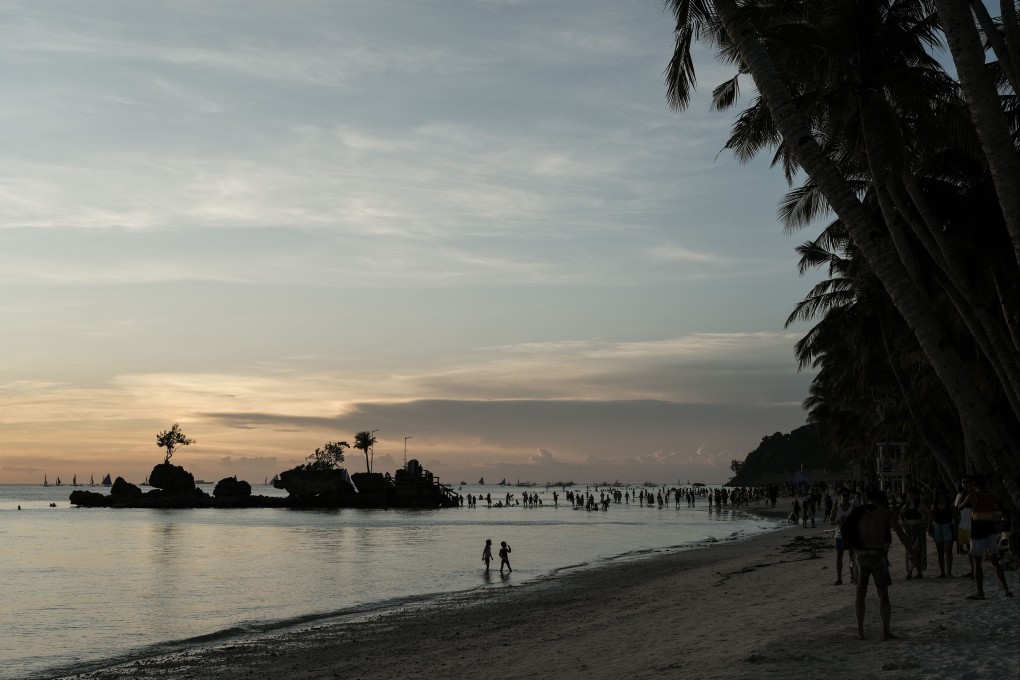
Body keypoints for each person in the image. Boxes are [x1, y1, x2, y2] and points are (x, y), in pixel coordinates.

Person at [841, 488, 911, 641]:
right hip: (877, 554)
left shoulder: (859, 512)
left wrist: (852, 553)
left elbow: (845, 529)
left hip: (860, 555)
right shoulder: (886, 512)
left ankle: (860, 632)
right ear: (882, 500)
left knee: (860, 594)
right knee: (883, 595)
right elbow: (900, 534)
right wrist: (911, 550)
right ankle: (885, 632)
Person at [957, 474, 1014, 600]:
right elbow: (994, 509)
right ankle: (1006, 589)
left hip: (978, 532)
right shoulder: (991, 495)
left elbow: (959, 506)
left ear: (973, 484)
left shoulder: (973, 495)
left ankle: (980, 592)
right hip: (991, 531)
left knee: (977, 561)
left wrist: (964, 492)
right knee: (995, 561)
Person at [899, 487, 928, 579]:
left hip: (918, 531)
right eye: (909, 494)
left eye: (912, 494)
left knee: (914, 551)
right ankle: (919, 573)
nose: (910, 496)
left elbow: (930, 513)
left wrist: (925, 522)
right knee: (911, 552)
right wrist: (903, 522)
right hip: (908, 531)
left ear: (917, 495)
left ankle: (910, 572)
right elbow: (900, 515)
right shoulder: (906, 506)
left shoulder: (920, 505)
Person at [829, 488, 856, 585]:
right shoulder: (836, 508)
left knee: (852, 557)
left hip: (851, 535)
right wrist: (837, 521)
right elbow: (830, 521)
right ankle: (839, 578)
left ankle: (853, 577)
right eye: (844, 495)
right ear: (840, 496)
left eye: (847, 495)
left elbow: (858, 521)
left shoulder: (853, 508)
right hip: (839, 536)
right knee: (839, 557)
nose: (846, 497)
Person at [929, 488, 955, 578]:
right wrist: (929, 527)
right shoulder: (934, 505)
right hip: (937, 527)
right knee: (940, 551)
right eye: (939, 494)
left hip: (948, 526)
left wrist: (955, 527)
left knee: (948, 550)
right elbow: (931, 517)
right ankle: (942, 572)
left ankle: (949, 572)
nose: (941, 495)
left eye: (942, 493)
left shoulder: (950, 504)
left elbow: (956, 515)